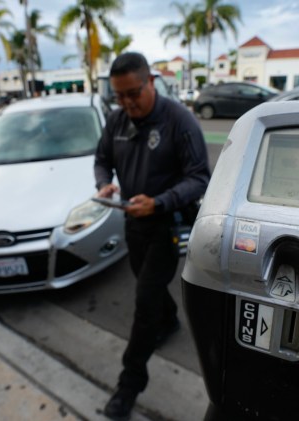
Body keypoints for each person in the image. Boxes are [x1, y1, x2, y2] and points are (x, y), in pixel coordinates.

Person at [94, 52, 211, 420]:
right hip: (133, 222)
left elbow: (199, 178)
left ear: (150, 83)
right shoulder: (116, 121)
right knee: (148, 284)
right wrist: (104, 184)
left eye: (133, 93)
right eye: (119, 96)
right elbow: (102, 159)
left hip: (166, 225)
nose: (127, 103)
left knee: (144, 301)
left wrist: (160, 202)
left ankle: (129, 385)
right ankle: (171, 319)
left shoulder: (180, 121)